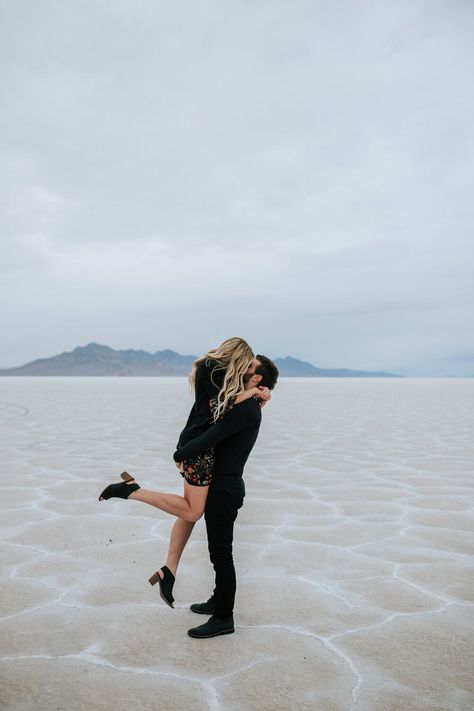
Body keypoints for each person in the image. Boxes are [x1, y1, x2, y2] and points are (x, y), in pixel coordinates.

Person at [98, 337, 271, 607]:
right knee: (192, 511)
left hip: (198, 448)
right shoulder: (212, 370)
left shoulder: (219, 374)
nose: (245, 369)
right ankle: (133, 491)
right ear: (237, 355)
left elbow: (227, 406)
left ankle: (169, 570)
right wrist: (253, 393)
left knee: (187, 512)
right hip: (196, 449)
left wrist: (261, 392)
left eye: (251, 367)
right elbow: (219, 407)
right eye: (246, 363)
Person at [173, 355, 279, 638]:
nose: (245, 367)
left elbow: (213, 436)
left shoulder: (248, 410)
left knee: (221, 555)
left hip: (225, 489)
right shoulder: (248, 402)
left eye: (250, 367)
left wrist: (180, 454)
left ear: (257, 378)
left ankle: (223, 618)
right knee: (217, 553)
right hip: (223, 485)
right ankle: (217, 601)